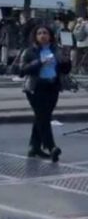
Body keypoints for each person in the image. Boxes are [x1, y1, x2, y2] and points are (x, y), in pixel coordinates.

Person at [20, 26, 71, 162]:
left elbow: (65, 70)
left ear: (50, 36)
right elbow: (22, 70)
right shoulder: (30, 51)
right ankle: (51, 147)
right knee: (43, 116)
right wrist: (39, 62)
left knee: (42, 117)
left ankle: (34, 147)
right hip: (35, 88)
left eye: (45, 33)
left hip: (52, 87)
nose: (42, 35)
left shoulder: (56, 50)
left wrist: (67, 61)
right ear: (35, 36)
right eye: (39, 33)